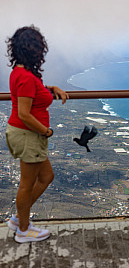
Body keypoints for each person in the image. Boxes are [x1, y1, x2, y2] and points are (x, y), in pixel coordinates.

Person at [5, 25, 69, 243]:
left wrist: (52, 89)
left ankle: (18, 219)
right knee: (26, 183)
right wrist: (46, 131)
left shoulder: (21, 73)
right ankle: (23, 229)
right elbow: (24, 113)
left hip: (27, 135)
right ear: (35, 50)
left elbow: (34, 93)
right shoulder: (25, 77)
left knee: (46, 176)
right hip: (29, 135)